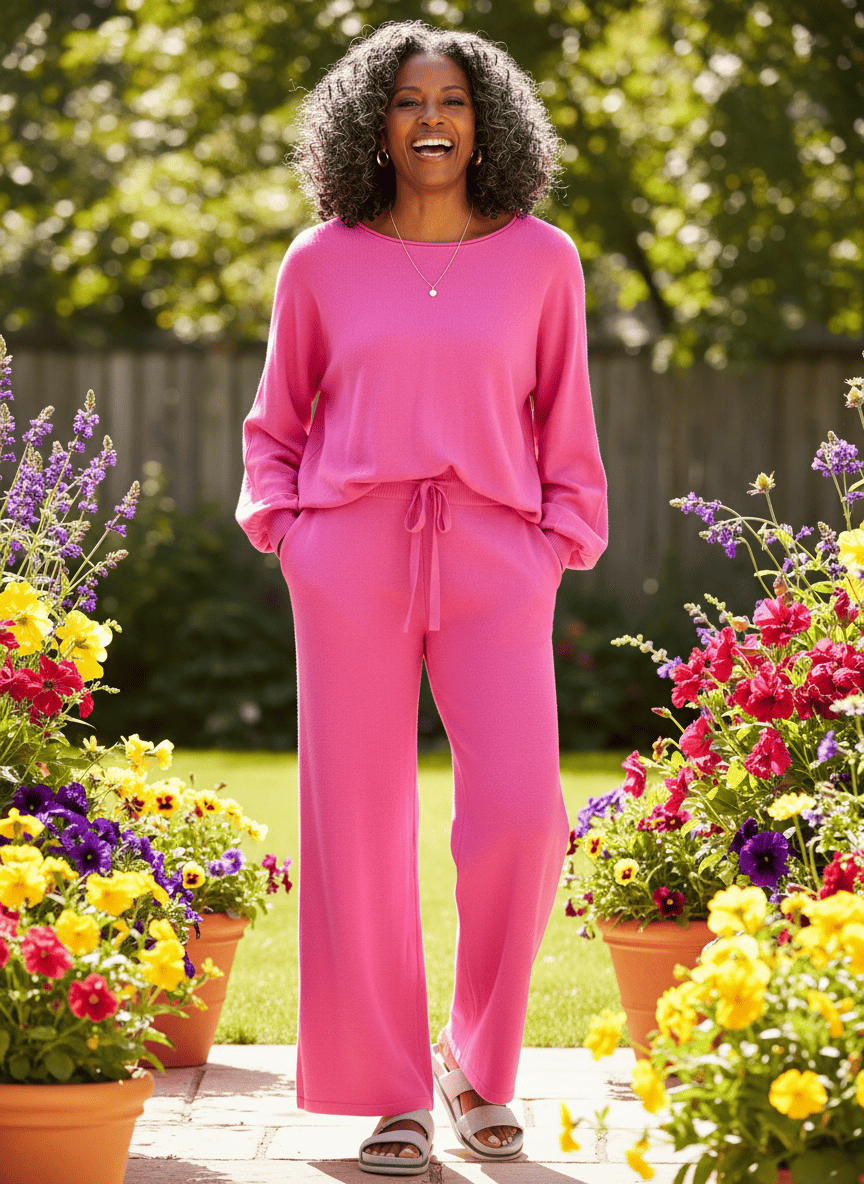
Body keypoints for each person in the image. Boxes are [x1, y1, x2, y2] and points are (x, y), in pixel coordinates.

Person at [235, 19, 607, 1173]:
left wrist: (556, 538)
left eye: (452, 100)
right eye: (406, 102)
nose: (431, 120)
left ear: (485, 121)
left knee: (522, 813)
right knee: (357, 822)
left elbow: (569, 421)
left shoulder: (545, 257)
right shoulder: (321, 258)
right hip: (349, 552)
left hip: (497, 551)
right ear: (373, 124)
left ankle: (477, 1061)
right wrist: (292, 534)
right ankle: (390, 1087)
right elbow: (275, 425)